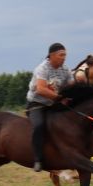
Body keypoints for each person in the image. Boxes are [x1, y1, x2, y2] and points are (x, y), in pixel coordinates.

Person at [26, 43, 73, 172]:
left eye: (65, 55)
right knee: (39, 125)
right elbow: (41, 89)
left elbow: (71, 86)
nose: (64, 58)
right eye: (61, 55)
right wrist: (59, 98)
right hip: (37, 104)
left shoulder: (65, 70)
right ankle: (38, 159)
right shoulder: (42, 69)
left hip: (54, 104)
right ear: (51, 55)